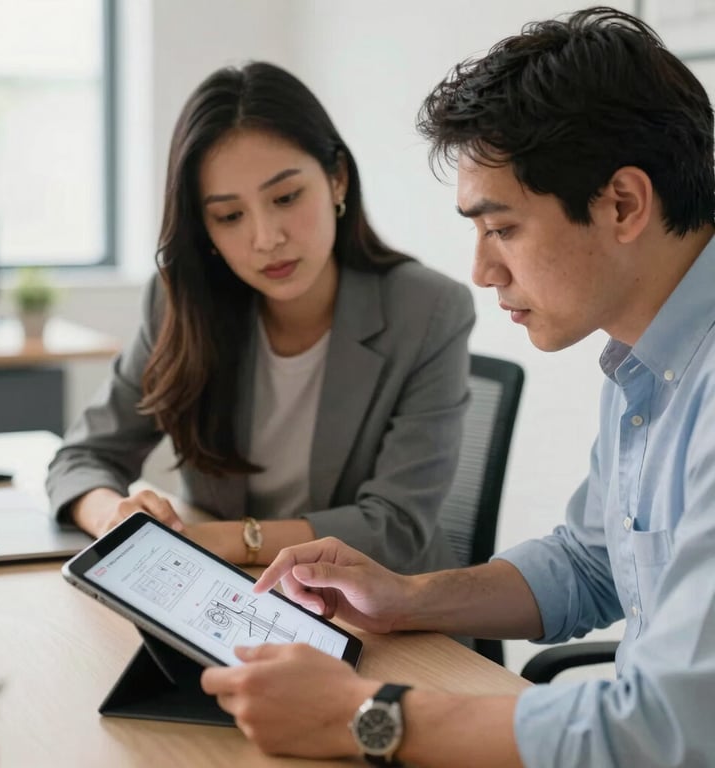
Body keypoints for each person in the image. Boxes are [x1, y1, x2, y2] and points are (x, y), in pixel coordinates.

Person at [200, 7, 715, 767]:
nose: (481, 270)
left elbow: (671, 729)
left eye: (501, 228)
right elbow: (592, 563)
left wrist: (361, 716)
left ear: (623, 205)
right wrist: (407, 598)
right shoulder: (646, 359)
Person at [45, 61, 475, 574]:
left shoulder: (428, 310)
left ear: (337, 179)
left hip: (377, 603)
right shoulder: (180, 304)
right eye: (230, 216)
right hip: (229, 593)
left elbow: (395, 528)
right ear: (204, 228)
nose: (266, 238)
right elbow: (83, 457)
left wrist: (220, 541)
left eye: (286, 197)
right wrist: (114, 517)